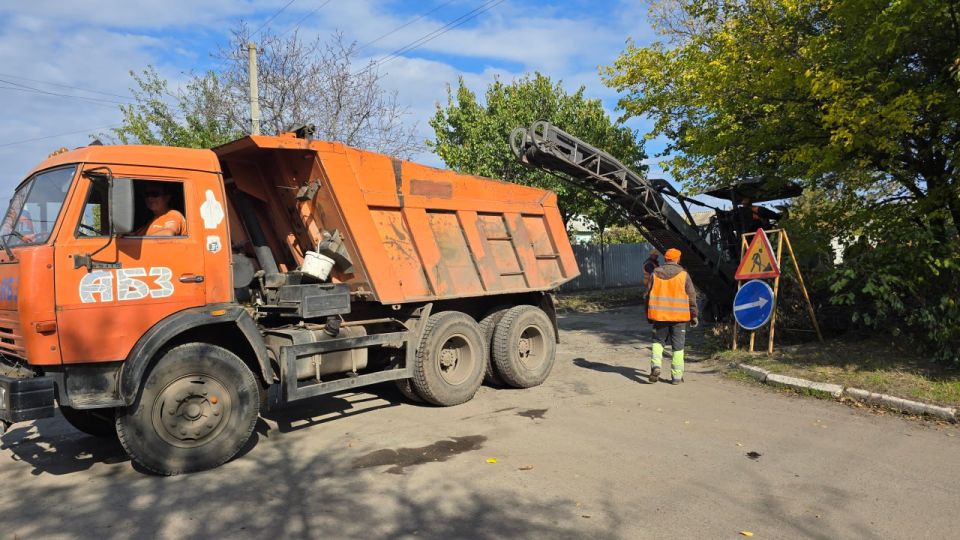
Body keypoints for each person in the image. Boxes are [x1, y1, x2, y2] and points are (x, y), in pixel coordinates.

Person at [644, 248, 698, 384]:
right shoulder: (684, 275)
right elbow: (692, 297)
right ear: (678, 259)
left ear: (665, 259)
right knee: (678, 346)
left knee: (658, 342)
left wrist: (648, 315)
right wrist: (694, 315)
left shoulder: (655, 273)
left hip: (660, 316)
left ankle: (656, 366)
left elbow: (647, 296)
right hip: (679, 318)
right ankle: (677, 377)